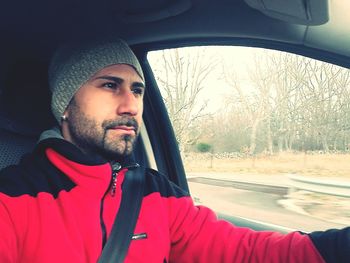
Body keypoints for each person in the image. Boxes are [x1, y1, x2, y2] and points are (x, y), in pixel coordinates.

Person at [0, 39, 349, 263]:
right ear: (65, 103)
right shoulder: (13, 197)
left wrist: (338, 247)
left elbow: (244, 251)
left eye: (137, 90)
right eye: (110, 86)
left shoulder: (153, 192)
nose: (131, 105)